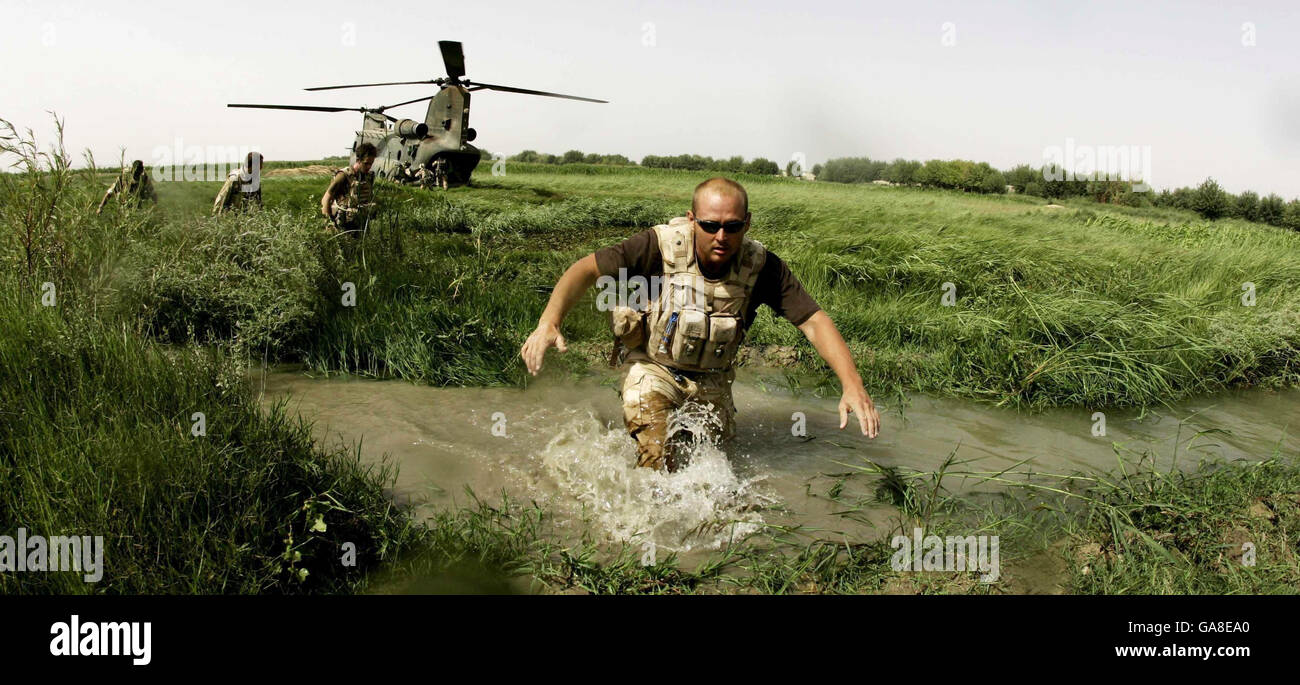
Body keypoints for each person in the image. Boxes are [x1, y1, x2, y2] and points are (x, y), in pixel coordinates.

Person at [520, 177, 881, 472]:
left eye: (732, 227)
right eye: (710, 225)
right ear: (692, 219)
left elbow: (813, 321)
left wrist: (852, 385)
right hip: (654, 368)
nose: (721, 237)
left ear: (747, 223)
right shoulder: (657, 246)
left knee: (711, 469)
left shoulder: (762, 267)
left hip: (713, 380)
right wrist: (548, 323)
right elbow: (585, 270)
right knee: (656, 461)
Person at [321, 143, 378, 233]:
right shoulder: (344, 175)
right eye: (366, 163)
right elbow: (326, 199)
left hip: (360, 227)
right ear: (358, 160)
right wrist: (329, 224)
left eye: (371, 164)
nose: (369, 167)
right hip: (342, 227)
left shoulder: (369, 177)